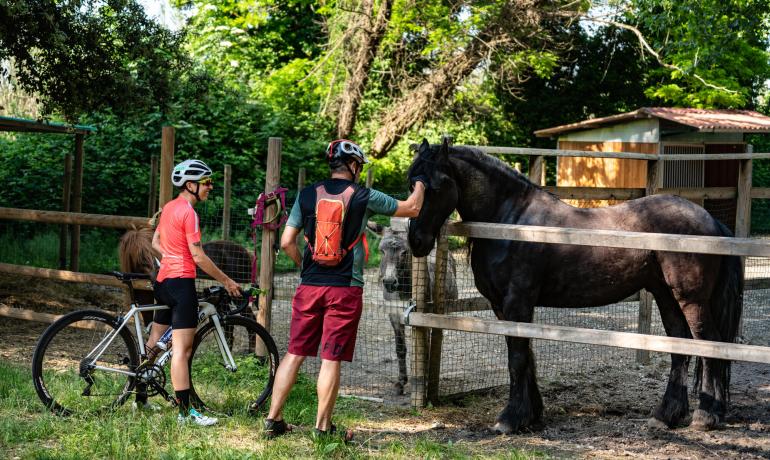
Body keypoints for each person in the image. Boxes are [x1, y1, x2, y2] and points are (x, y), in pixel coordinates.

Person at [264, 139, 426, 440]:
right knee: (331, 358)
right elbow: (413, 208)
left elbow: (286, 242)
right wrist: (420, 179)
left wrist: (305, 266)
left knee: (295, 353)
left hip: (309, 286)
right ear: (353, 166)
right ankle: (322, 429)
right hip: (345, 290)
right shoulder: (364, 195)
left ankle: (273, 420)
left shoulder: (307, 194)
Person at [147, 159, 241, 426]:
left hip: (163, 282)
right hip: (180, 284)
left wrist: (172, 257)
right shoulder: (189, 212)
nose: (210, 187)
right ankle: (186, 414)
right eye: (206, 182)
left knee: (155, 339)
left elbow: (155, 242)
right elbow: (198, 256)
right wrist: (226, 280)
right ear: (191, 185)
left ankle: (139, 396)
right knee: (182, 351)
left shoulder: (168, 208)